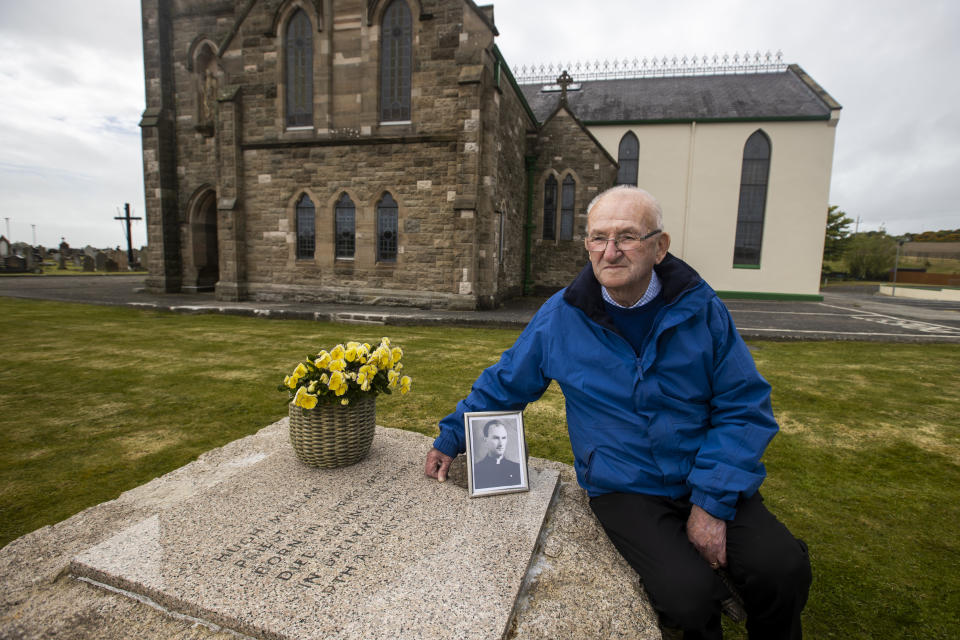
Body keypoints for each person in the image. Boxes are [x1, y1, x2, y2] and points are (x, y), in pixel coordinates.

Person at [424, 186, 811, 639]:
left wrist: (710, 505)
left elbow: (744, 408)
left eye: (627, 237)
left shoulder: (702, 310)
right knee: (687, 599)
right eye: (597, 238)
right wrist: (452, 436)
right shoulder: (561, 317)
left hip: (707, 468)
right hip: (625, 486)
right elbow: (505, 383)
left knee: (782, 569)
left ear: (659, 246)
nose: (610, 252)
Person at [472, 419, 522, 489]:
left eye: (504, 438)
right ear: (485, 439)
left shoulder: (517, 469)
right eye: (496, 438)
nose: (501, 444)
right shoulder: (475, 470)